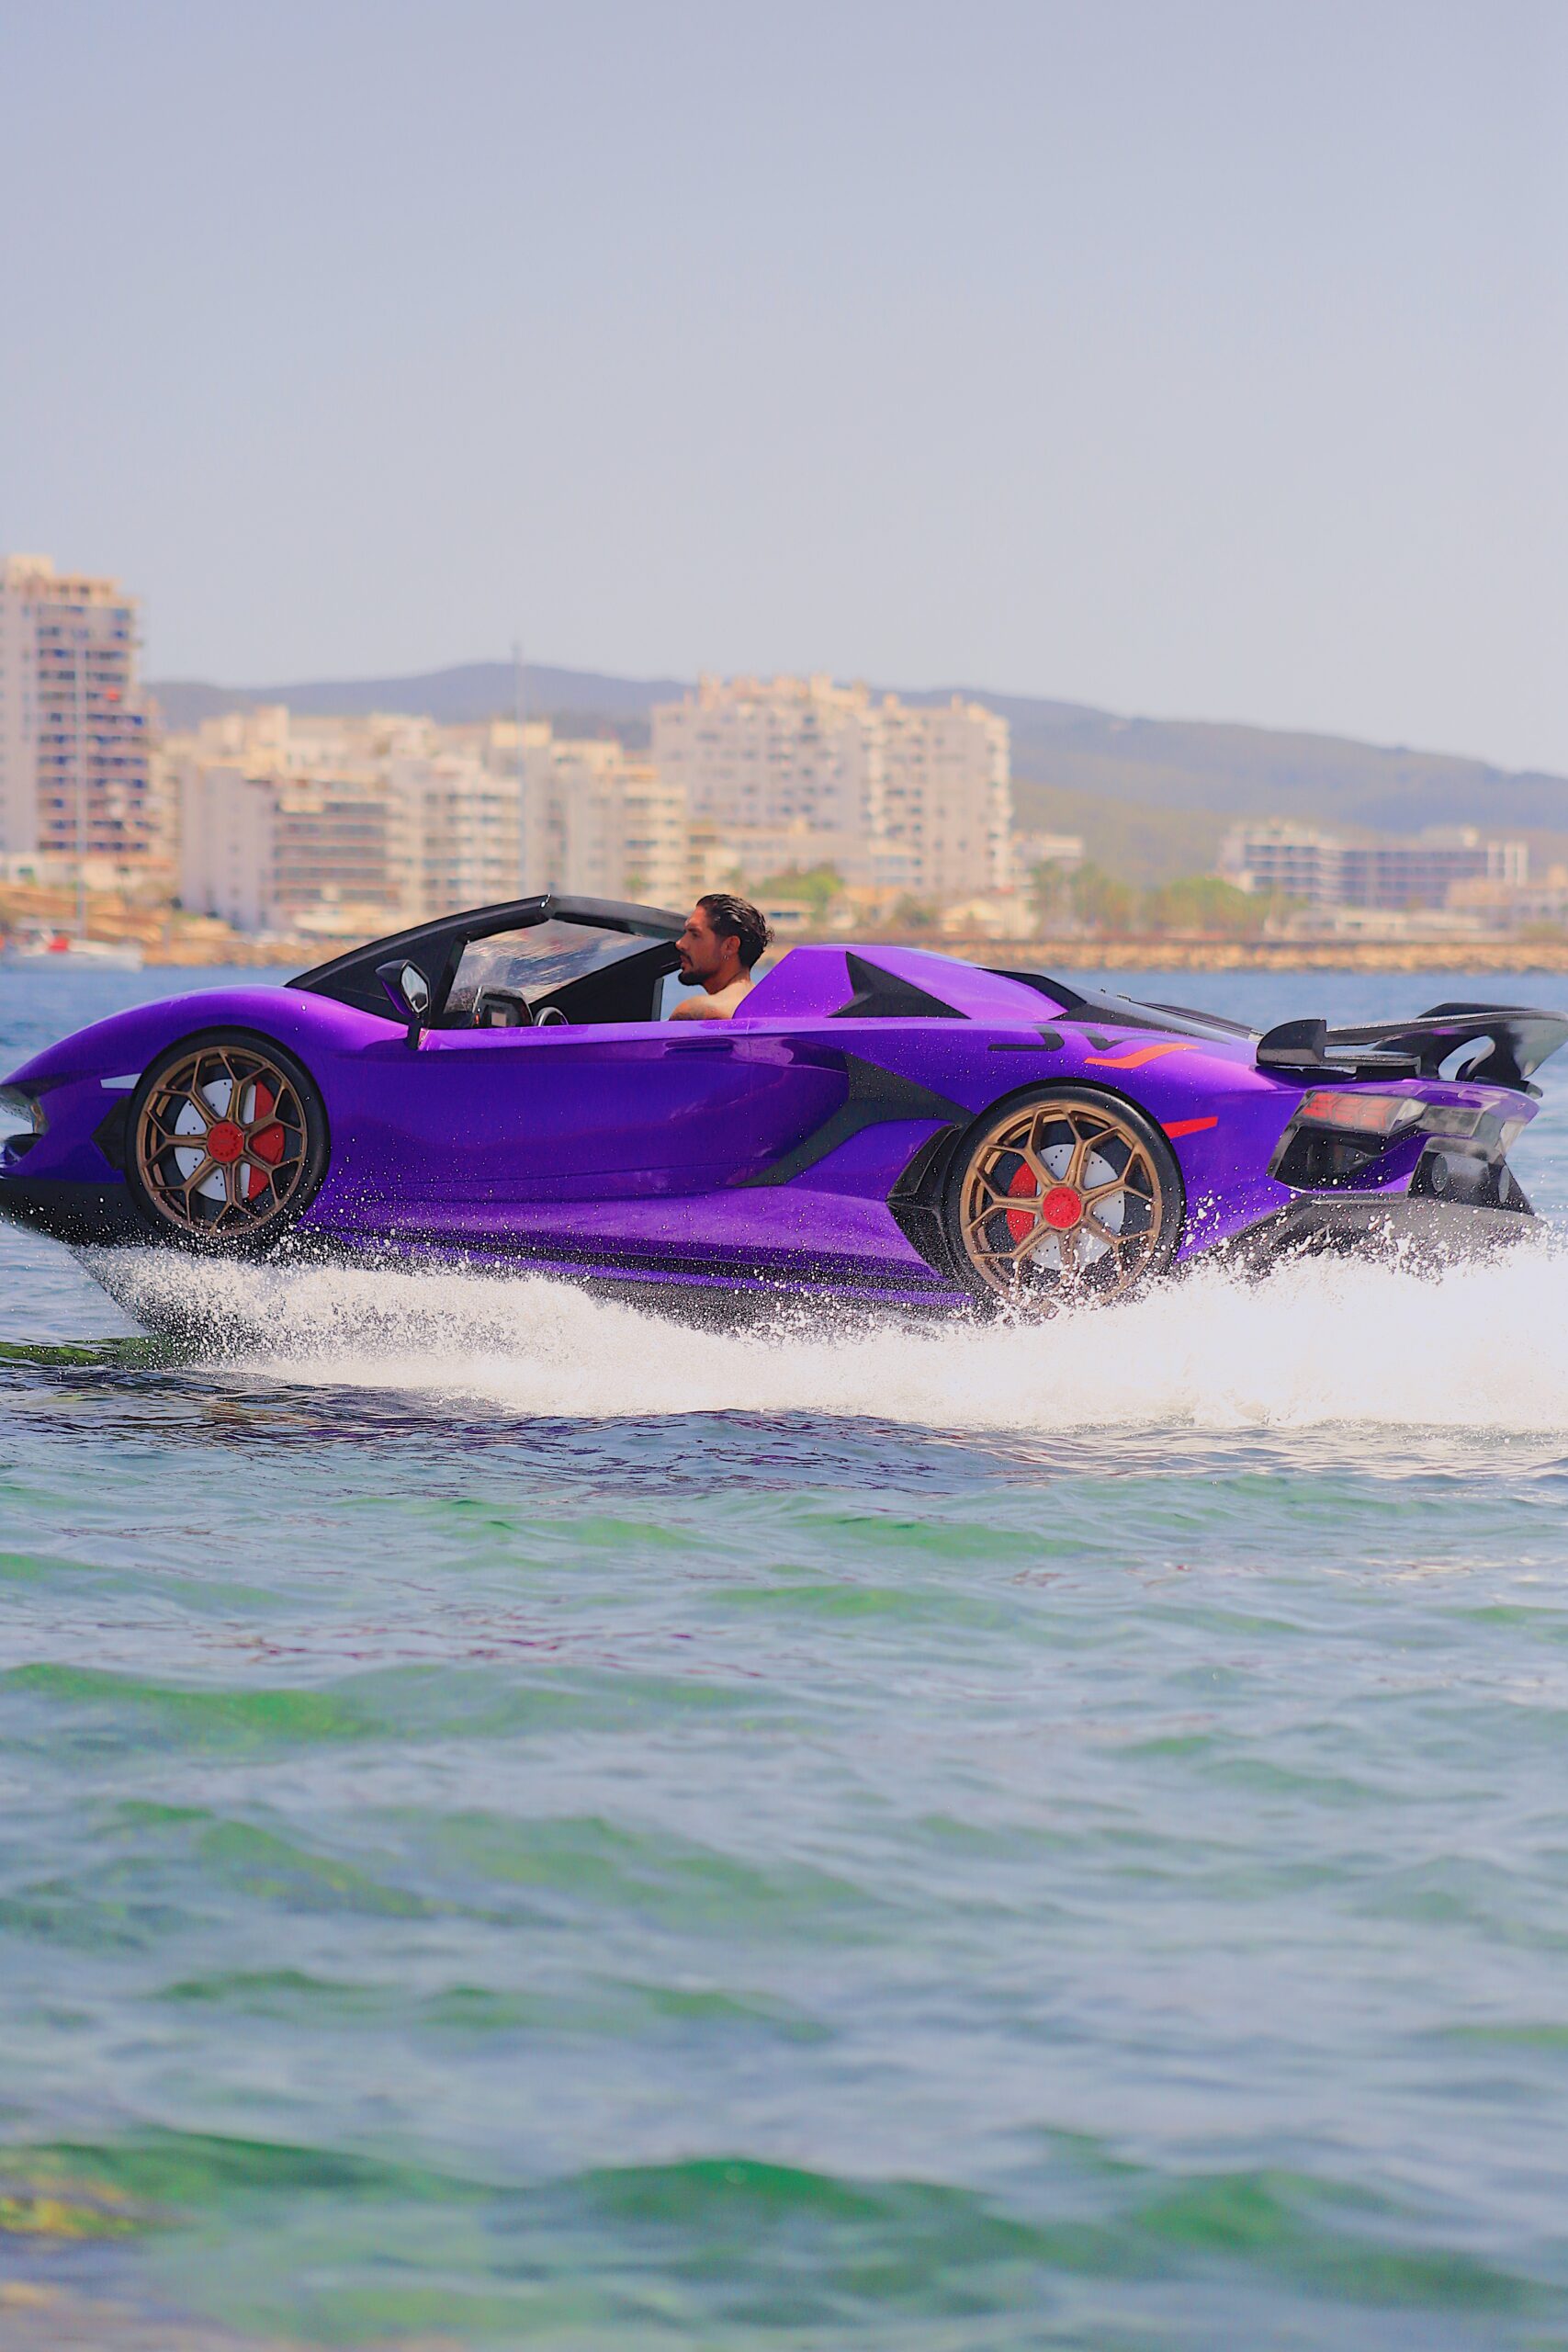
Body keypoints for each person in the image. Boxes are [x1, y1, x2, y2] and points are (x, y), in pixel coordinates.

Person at [669, 892, 773, 1020]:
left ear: (730, 946)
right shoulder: (770, 1009)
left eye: (695, 934)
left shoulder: (696, 1013)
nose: (680, 944)